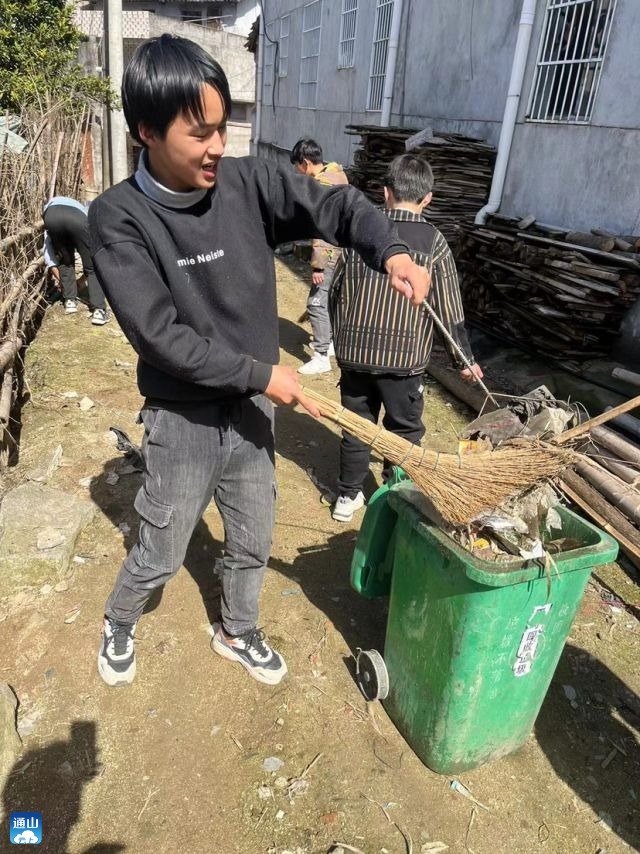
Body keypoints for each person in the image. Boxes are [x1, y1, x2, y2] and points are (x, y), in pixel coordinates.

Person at [89, 35, 430, 688]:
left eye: (223, 128)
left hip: (252, 410)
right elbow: (160, 338)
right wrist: (262, 374)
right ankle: (120, 617)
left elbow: (333, 203)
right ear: (147, 133)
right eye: (200, 133)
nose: (218, 146)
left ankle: (237, 630)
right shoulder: (118, 218)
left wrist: (389, 250)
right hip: (183, 416)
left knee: (252, 535)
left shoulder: (246, 182)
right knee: (162, 545)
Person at [329, 153, 483, 522]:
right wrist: (464, 361)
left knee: (356, 426)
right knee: (404, 430)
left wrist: (341, 337)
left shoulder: (361, 234)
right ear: (427, 198)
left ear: (386, 192)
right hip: (403, 361)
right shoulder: (434, 242)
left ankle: (347, 496)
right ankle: (394, 494)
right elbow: (449, 308)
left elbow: (335, 292)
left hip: (355, 355)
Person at [289, 138, 348, 375]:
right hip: (343, 250)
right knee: (331, 298)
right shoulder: (339, 176)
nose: (297, 171)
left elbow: (322, 228)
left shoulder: (322, 185)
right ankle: (330, 342)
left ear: (305, 163)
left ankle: (321, 355)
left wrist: (318, 266)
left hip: (329, 253)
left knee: (315, 303)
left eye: (297, 166)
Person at [42, 196, 109, 325]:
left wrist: (66, 284)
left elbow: (49, 255)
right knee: (92, 266)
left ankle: (70, 301)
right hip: (77, 218)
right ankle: (99, 311)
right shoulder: (83, 208)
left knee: (65, 260)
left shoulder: (49, 208)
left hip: (51, 217)